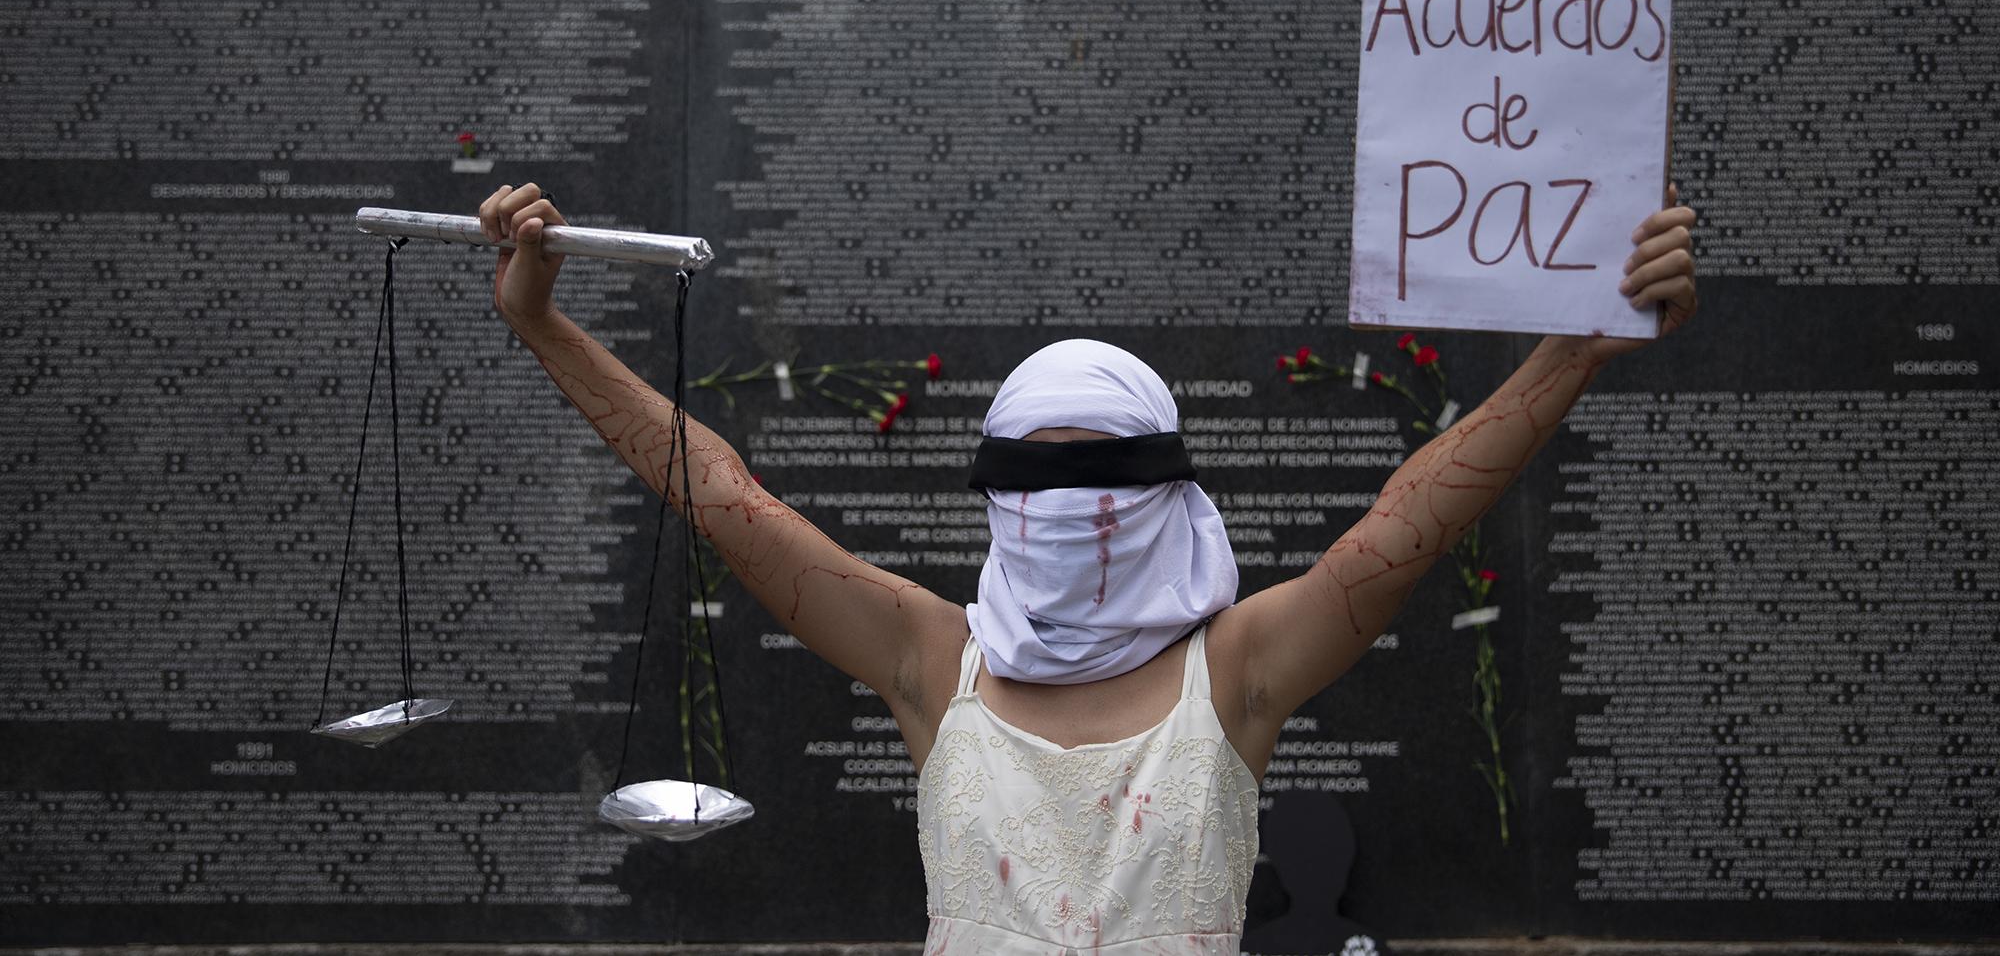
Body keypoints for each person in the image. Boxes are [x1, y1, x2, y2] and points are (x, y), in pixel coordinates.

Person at [476, 181, 1699, 954]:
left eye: (1105, 475)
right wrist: (544, 326)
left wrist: (1569, 358)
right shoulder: (929, 663)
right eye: (1041, 482)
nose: (1076, 511)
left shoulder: (1235, 675)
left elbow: (1403, 528)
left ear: (1170, 485)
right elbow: (727, 502)